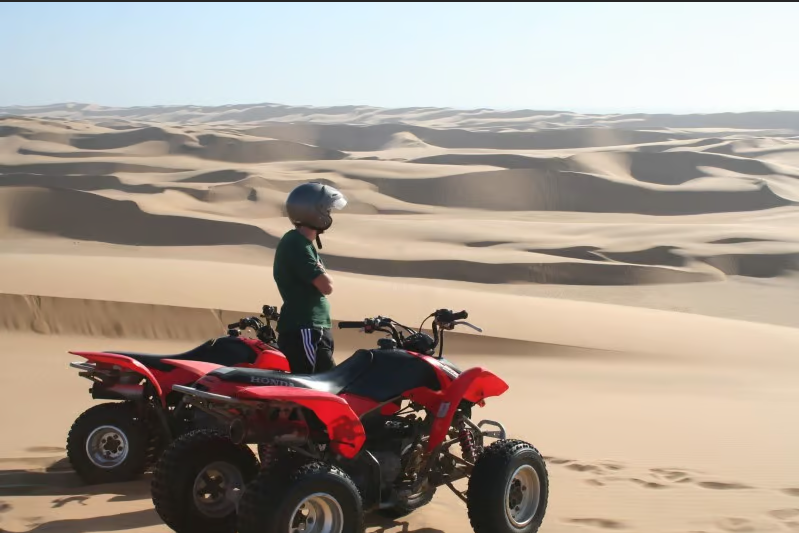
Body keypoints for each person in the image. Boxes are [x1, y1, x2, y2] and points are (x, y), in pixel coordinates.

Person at [273, 182, 348, 374]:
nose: (330, 215)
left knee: (326, 386)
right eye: (328, 210)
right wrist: (326, 277)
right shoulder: (296, 244)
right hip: (305, 329)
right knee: (317, 387)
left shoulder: (302, 244)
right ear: (315, 212)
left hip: (312, 328)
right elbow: (326, 286)